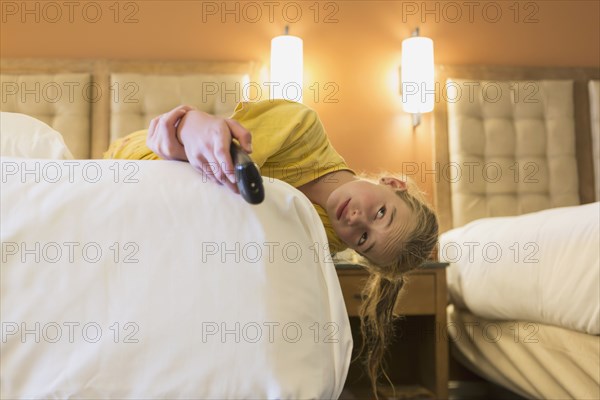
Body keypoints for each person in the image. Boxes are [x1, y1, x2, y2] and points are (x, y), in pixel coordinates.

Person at [104, 99, 439, 395]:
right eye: (382, 212)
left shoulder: (321, 242)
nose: (355, 219)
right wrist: (191, 126)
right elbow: (202, 171)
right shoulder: (300, 128)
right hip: (131, 160)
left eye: (364, 239)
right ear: (393, 184)